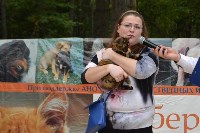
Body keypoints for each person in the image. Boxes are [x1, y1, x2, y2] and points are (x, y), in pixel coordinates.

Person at [81, 10, 158, 133]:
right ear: (118, 28)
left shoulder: (149, 55)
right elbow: (85, 78)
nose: (132, 30)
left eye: (137, 27)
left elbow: (141, 71)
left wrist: (112, 55)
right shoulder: (102, 53)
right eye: (127, 25)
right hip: (108, 125)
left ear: (141, 32)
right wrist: (108, 67)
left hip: (140, 126)